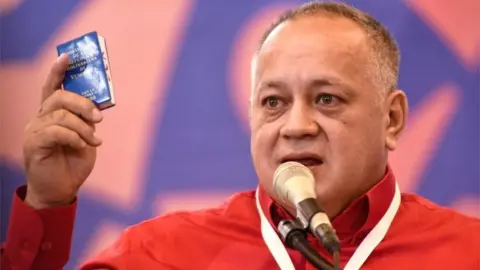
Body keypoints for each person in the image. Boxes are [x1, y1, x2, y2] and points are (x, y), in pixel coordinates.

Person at [2, 1, 479, 270]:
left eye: (327, 99)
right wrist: (46, 204)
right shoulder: (160, 254)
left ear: (392, 119)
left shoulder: (467, 252)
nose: (296, 126)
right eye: (273, 102)